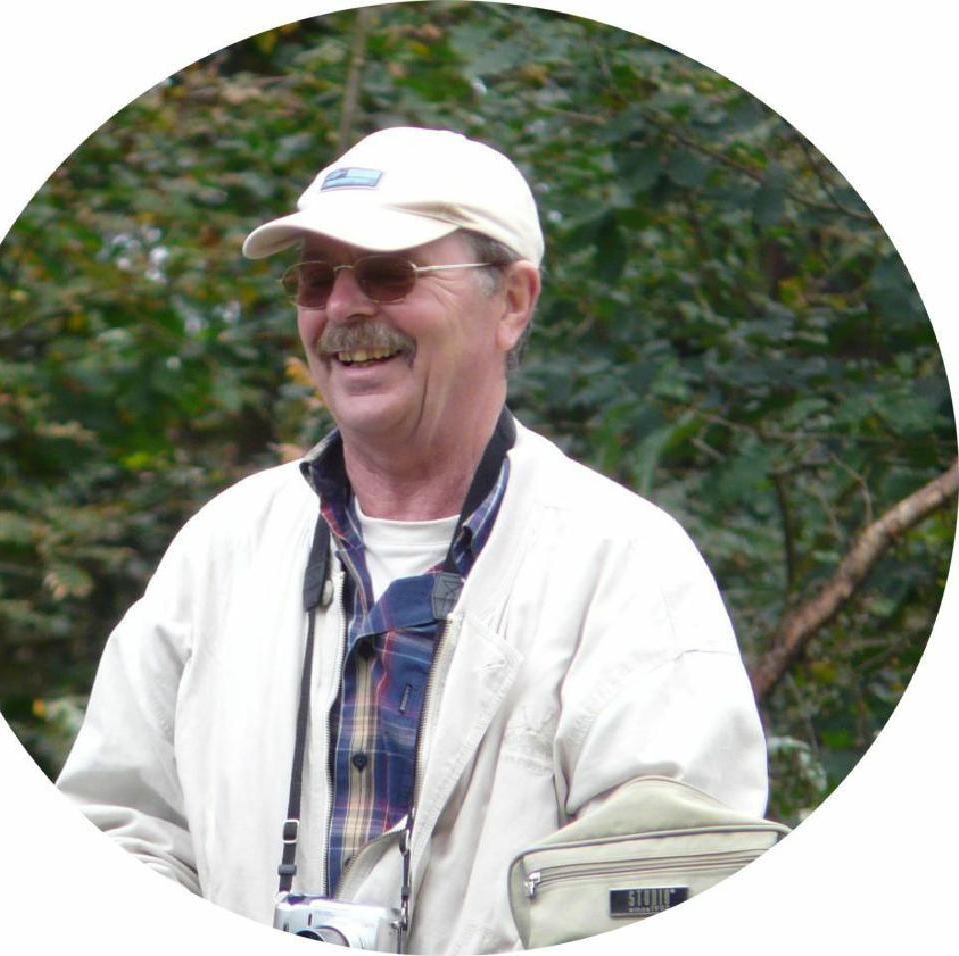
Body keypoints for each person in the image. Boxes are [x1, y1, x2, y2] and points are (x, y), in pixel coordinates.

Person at [57, 127, 768, 953]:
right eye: (316, 279)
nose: (343, 308)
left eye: (390, 273)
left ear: (512, 302)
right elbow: (119, 829)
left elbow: (669, 886)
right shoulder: (221, 550)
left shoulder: (627, 566)